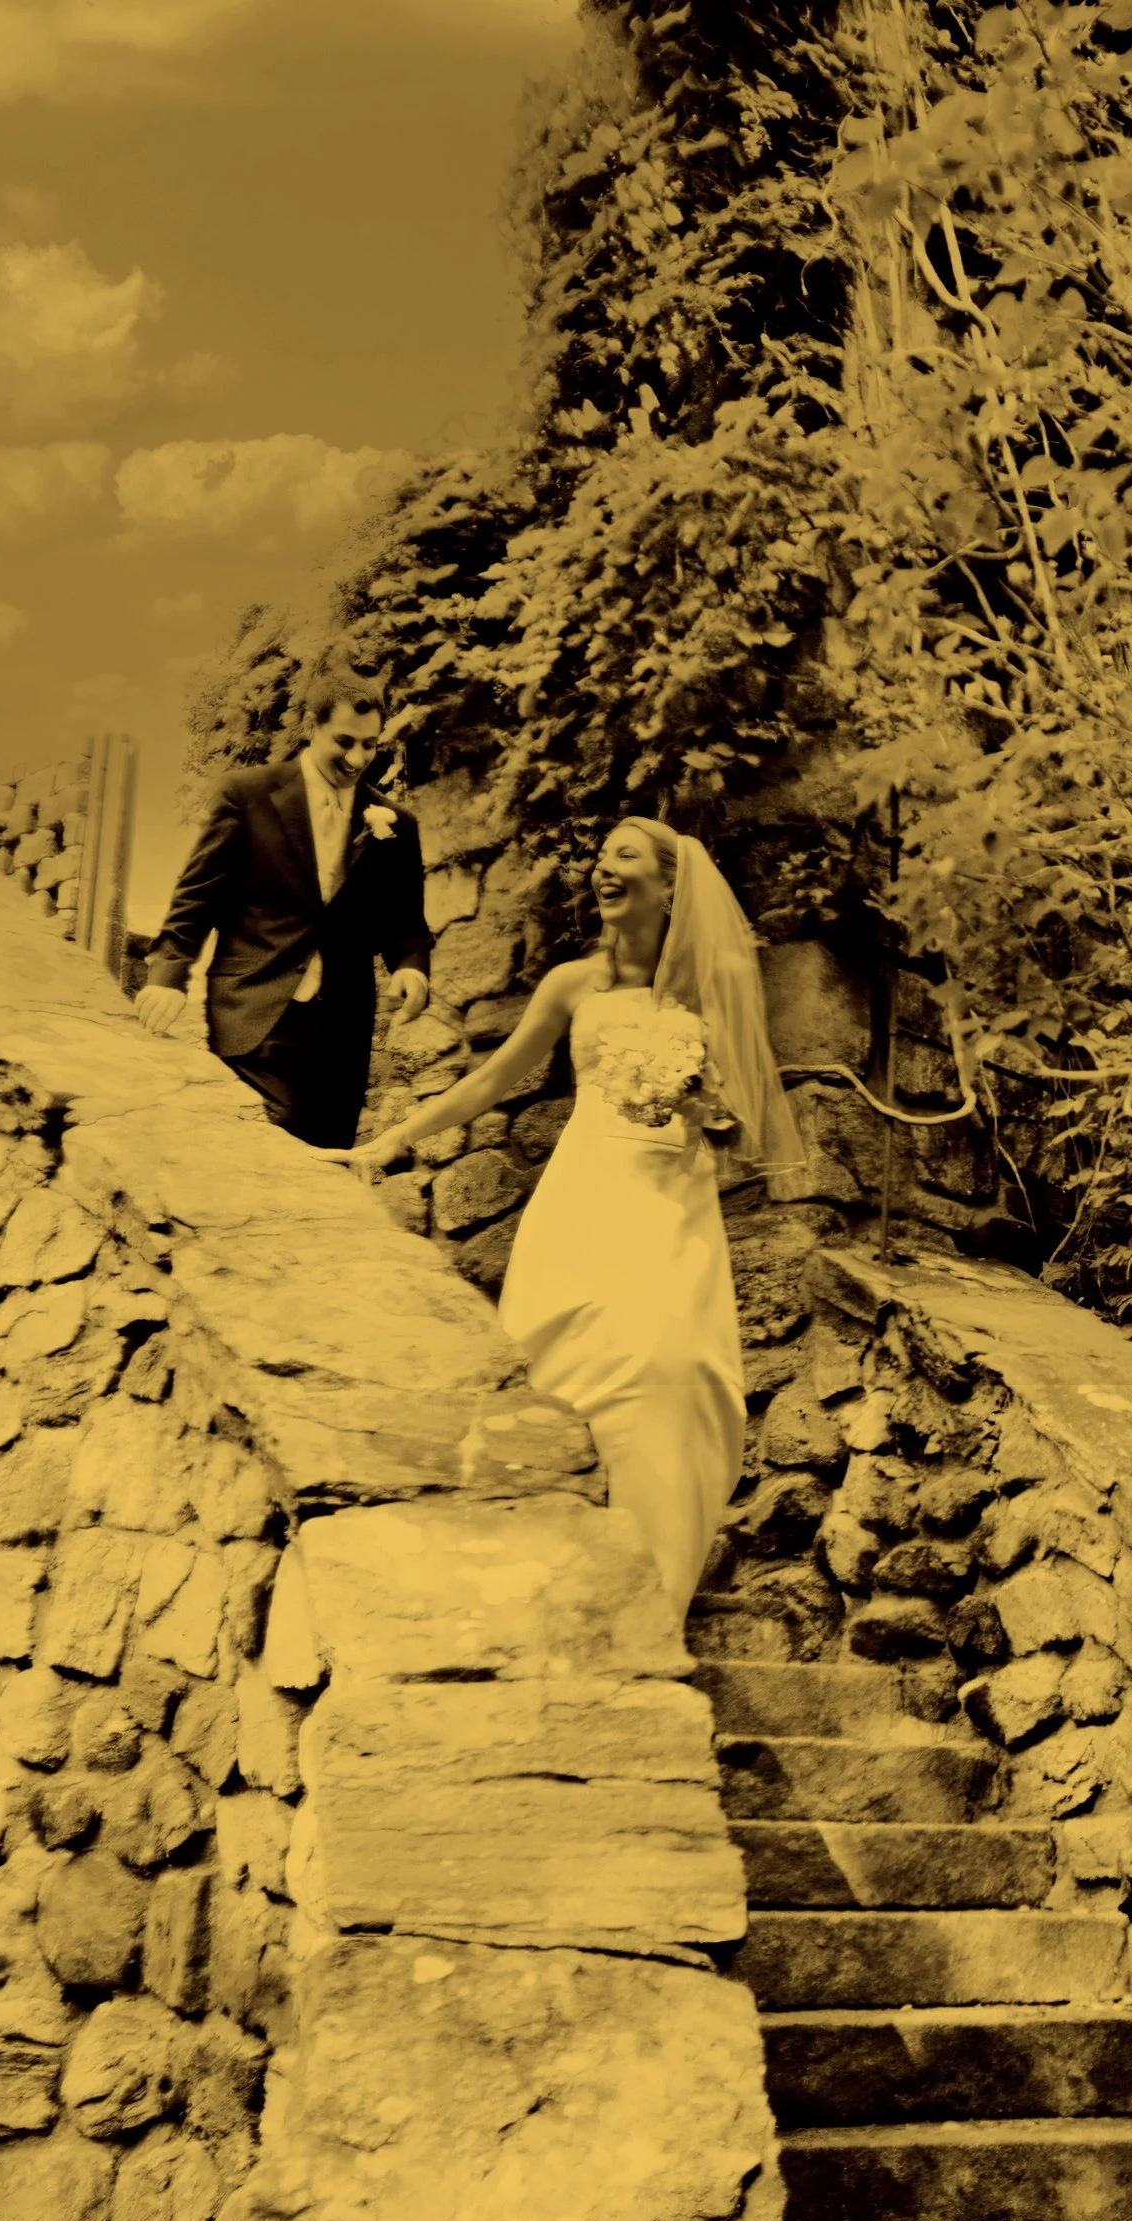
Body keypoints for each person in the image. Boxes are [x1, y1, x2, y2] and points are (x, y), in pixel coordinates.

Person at [343, 817, 803, 1615]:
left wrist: (702, 1106)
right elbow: (489, 1082)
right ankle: (549, 1572)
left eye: (624, 856)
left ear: (669, 886)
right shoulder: (570, 984)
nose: (602, 869)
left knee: (669, 1367)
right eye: (599, 857)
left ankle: (653, 1587)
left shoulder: (712, 981)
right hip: (585, 1190)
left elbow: (744, 1112)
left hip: (670, 1200)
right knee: (562, 1361)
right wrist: (391, 1140)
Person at [135, 649, 431, 1147]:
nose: (358, 760)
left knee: (328, 1153)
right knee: (265, 1143)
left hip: (342, 1024)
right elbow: (197, 897)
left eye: (370, 745)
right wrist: (168, 977)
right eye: (344, 742)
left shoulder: (395, 824)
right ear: (311, 727)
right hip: (254, 1009)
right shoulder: (247, 795)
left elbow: (403, 920)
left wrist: (411, 966)